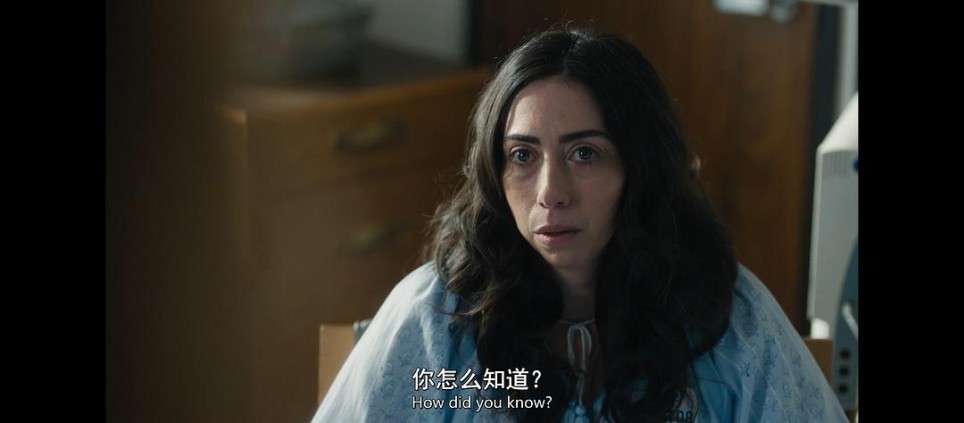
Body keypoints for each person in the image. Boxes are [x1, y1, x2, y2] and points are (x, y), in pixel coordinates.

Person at [311, 27, 849, 422]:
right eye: (522, 156)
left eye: (585, 153)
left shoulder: (729, 318)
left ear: (641, 167)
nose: (551, 193)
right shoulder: (437, 318)